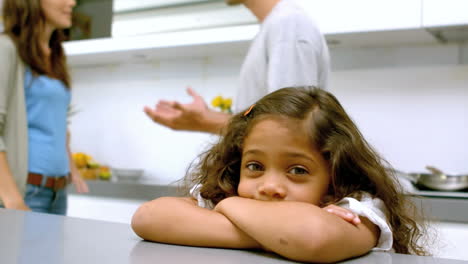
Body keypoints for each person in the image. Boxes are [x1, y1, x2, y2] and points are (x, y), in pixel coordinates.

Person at [132, 87, 428, 263]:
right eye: (255, 166)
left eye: (297, 170)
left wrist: (229, 206)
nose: (269, 186)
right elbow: (148, 217)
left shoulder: (357, 208)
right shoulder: (235, 191)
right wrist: (276, 235)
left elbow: (312, 238)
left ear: (335, 176)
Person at [144, 0, 330, 134]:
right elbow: (277, 122)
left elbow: (290, 126)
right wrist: (206, 117)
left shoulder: (288, 24)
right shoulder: (278, 25)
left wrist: (205, 121)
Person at [0, 0, 88, 215]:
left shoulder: (56, 55)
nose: (72, 2)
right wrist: (12, 199)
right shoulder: (7, 48)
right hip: (26, 190)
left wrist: (71, 166)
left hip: (57, 191)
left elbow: (57, 121)